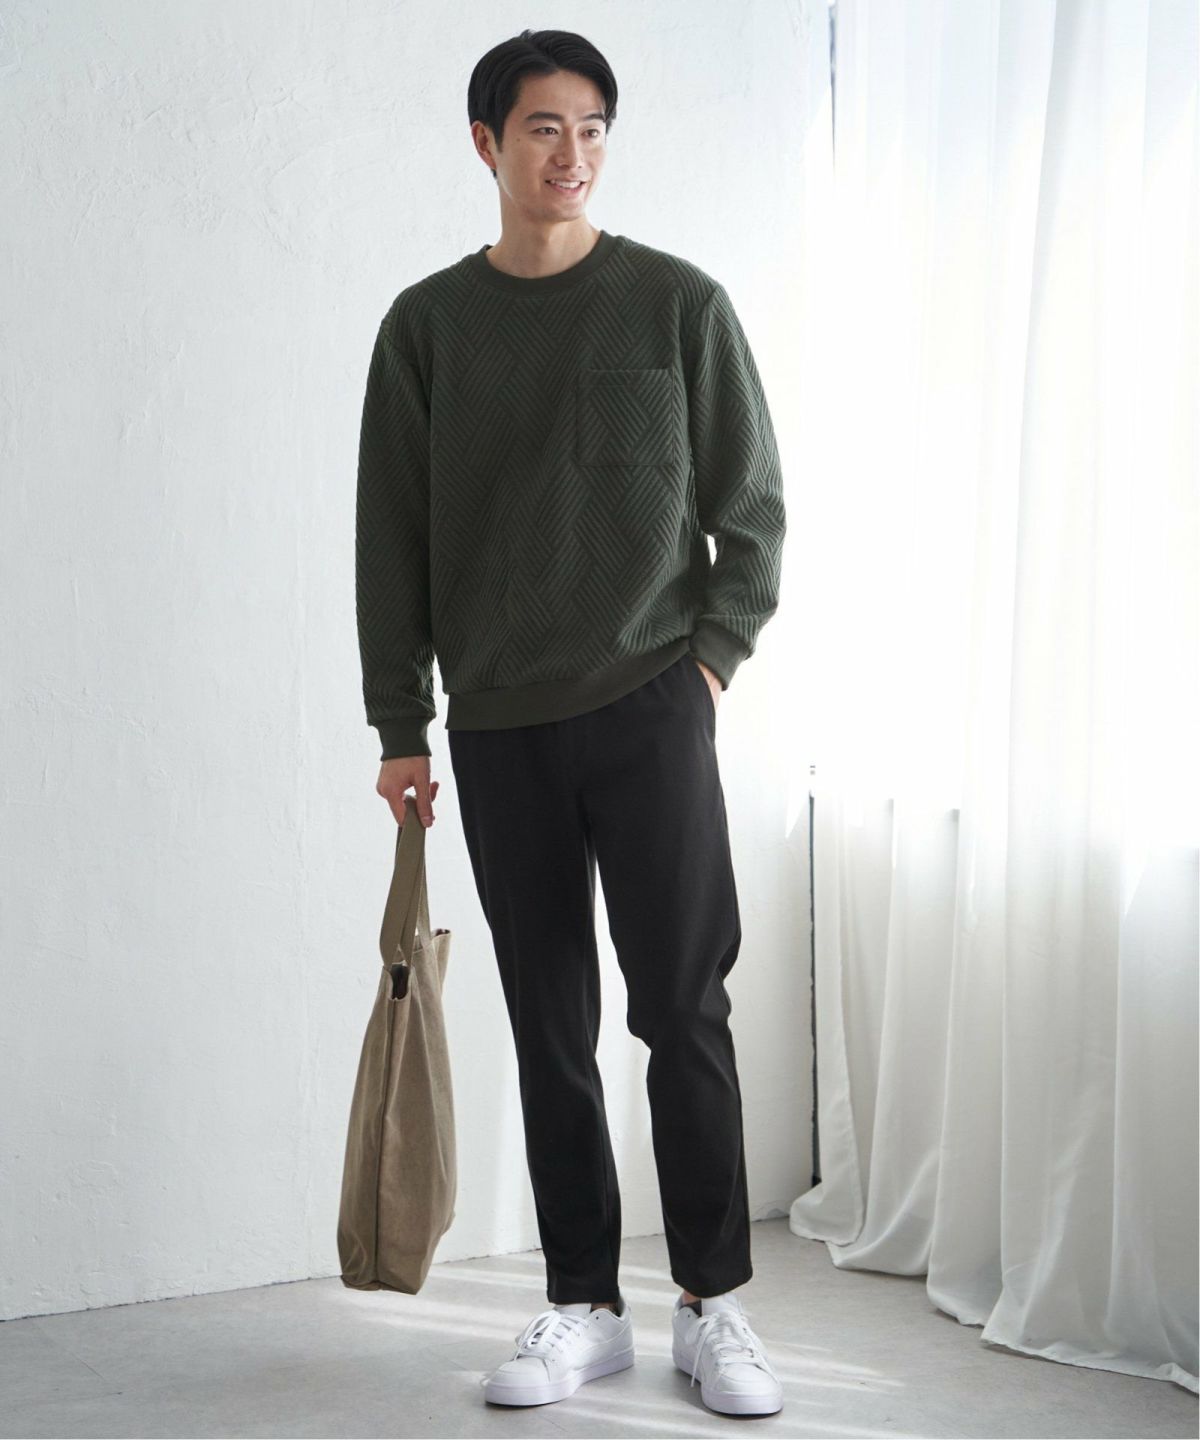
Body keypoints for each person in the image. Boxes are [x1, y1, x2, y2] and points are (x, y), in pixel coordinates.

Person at [354, 26, 786, 1419]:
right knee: (550, 1022)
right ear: (487, 143)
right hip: (500, 728)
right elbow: (390, 542)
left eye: (592, 128)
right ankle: (583, 1304)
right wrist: (400, 724)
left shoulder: (678, 305)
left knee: (684, 1010)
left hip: (654, 708)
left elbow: (752, 513)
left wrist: (705, 670)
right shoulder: (427, 328)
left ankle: (713, 1303)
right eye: (544, 127)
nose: (573, 153)